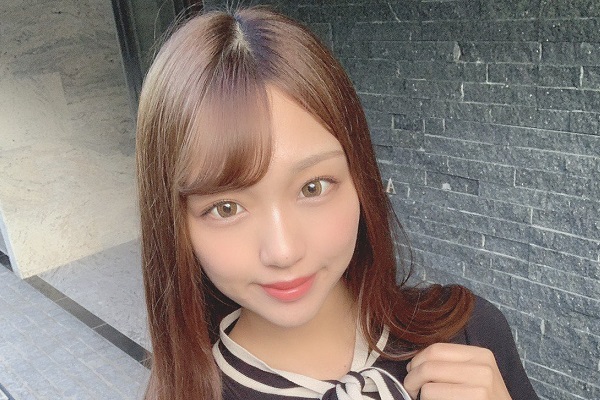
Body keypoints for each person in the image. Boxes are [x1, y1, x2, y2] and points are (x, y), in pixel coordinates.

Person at [135, 6, 539, 400]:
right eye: (226, 208)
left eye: (313, 187)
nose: (283, 251)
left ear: (361, 179)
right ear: (175, 226)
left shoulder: (469, 337)